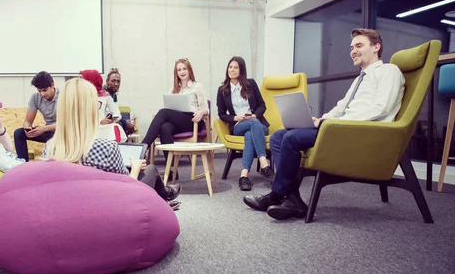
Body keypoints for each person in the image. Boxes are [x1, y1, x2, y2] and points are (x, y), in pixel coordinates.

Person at [244, 28, 405, 220]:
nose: (353, 50)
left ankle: (276, 195)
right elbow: (342, 107)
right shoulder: (360, 79)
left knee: (292, 138)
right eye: (352, 47)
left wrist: (335, 123)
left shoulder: (389, 71)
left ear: (376, 47)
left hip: (361, 133)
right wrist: (321, 119)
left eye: (359, 45)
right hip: (340, 127)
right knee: (279, 135)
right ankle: (292, 198)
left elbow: (382, 108)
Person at [44, 78, 182, 209]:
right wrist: (135, 167)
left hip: (69, 210)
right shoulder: (107, 148)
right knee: (149, 170)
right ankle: (165, 197)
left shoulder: (49, 149)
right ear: (90, 110)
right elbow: (127, 187)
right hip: (109, 211)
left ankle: (165, 197)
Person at [217, 56, 274, 191]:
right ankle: (264, 163)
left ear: (241, 69)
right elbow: (221, 114)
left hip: (258, 125)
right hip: (238, 126)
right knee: (251, 126)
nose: (232, 70)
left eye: (236, 67)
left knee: (250, 134)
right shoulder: (222, 90)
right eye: (230, 67)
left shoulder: (250, 84)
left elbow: (262, 105)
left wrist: (254, 115)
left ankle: (244, 176)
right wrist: (236, 118)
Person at [141, 58, 209, 158]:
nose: (182, 72)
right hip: (178, 122)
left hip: (193, 121)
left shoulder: (197, 86)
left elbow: (206, 109)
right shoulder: (173, 89)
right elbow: (169, 108)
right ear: (176, 73)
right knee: (165, 128)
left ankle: (143, 146)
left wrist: (201, 112)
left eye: (184, 69)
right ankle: (172, 171)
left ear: (189, 70)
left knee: (163, 112)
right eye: (179, 70)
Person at [14, 71, 58, 162]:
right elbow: (28, 121)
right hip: (47, 131)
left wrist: (44, 128)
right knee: (19, 133)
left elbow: (66, 124)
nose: (42, 94)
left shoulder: (63, 97)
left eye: (45, 90)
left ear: (52, 85)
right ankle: (23, 164)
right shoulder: (35, 97)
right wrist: (28, 129)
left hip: (61, 133)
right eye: (39, 91)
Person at [80, 69, 126, 142]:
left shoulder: (104, 95)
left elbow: (116, 113)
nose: (80, 83)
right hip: (85, 129)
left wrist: (112, 120)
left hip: (101, 128)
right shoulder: (79, 96)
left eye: (83, 80)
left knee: (116, 127)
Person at [104, 68, 136, 135]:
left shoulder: (113, 95)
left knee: (124, 122)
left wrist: (126, 121)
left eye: (118, 81)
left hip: (111, 122)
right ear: (107, 81)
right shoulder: (103, 94)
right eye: (113, 81)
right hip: (102, 124)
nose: (116, 84)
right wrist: (125, 122)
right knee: (121, 123)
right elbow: (107, 114)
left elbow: (116, 113)